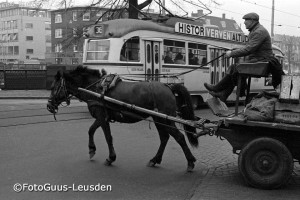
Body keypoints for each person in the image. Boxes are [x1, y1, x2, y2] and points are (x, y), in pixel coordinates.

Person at [204, 12, 280, 102]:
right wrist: (235, 49)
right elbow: (249, 47)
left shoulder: (259, 32)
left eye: (246, 20)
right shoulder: (255, 30)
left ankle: (219, 89)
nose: (244, 22)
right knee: (234, 68)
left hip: (263, 61)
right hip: (259, 60)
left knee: (236, 68)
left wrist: (232, 54)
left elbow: (249, 49)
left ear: (252, 21)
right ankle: (223, 94)